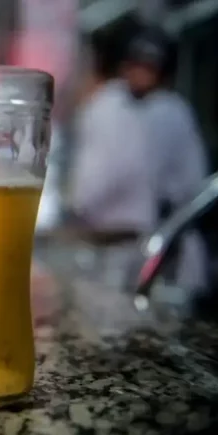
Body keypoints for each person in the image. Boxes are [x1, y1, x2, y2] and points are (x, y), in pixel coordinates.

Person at [121, 26, 210, 293]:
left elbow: (139, 177)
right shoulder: (137, 107)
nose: (138, 73)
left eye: (148, 67)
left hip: (174, 241)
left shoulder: (167, 110)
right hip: (159, 237)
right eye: (135, 64)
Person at [67, 30, 156, 289]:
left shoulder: (103, 109)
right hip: (126, 240)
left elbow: (92, 187)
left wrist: (71, 210)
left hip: (118, 244)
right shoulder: (120, 105)